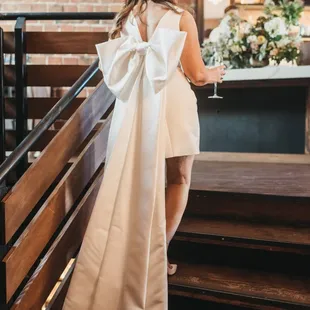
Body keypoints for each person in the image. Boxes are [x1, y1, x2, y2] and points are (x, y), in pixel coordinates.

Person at [63, 1, 225, 309]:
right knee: (178, 180)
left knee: (140, 184)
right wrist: (216, 73)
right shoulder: (181, 18)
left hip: (137, 107)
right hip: (172, 100)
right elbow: (197, 75)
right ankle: (155, 259)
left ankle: (141, 258)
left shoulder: (128, 17)